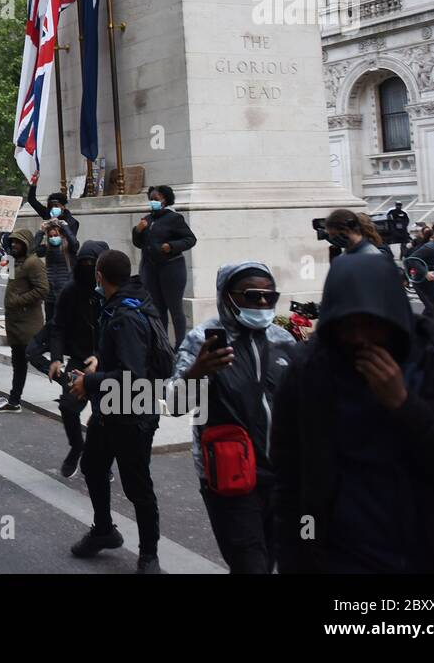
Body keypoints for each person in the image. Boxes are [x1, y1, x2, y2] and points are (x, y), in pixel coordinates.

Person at [272, 253, 434, 573]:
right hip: (343, 559)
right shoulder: (308, 371)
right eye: (347, 325)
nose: (359, 338)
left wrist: (404, 406)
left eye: (371, 324)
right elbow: (289, 482)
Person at [169, 262, 296, 573]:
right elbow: (174, 404)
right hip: (229, 476)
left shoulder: (285, 341)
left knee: (271, 560)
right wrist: (196, 373)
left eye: (270, 296)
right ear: (228, 297)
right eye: (253, 296)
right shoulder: (201, 341)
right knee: (250, 563)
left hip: (283, 478)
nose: (263, 303)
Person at [69, 249, 163, 574]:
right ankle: (104, 531)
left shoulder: (125, 314)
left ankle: (149, 554)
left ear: (99, 276)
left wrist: (90, 381)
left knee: (138, 485)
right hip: (112, 409)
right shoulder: (125, 301)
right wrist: (100, 361)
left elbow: (132, 376)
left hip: (133, 410)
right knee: (93, 466)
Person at [40, 240, 108, 477]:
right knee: (69, 406)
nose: (89, 269)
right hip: (79, 360)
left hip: (108, 362)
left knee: (105, 416)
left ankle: (102, 461)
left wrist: (99, 356)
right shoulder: (70, 291)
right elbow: (58, 326)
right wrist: (56, 358)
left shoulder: (111, 291)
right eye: (85, 264)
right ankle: (76, 447)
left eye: (94, 264)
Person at [131, 185, 196, 346]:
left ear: (165, 200)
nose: (152, 202)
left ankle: (180, 345)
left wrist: (171, 246)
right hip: (151, 269)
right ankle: (162, 344)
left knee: (175, 308)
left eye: (156, 199)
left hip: (171, 268)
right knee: (157, 309)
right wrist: (137, 231)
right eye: (151, 199)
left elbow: (190, 239)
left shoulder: (174, 218)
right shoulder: (147, 219)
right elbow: (138, 243)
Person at [0, 228, 47, 414]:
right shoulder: (15, 261)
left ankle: (69, 382)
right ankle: (14, 400)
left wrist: (18, 300)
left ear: (27, 243)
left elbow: (43, 289)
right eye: (12, 242)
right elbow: (9, 279)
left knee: (35, 359)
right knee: (18, 364)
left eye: (18, 242)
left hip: (28, 324)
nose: (14, 245)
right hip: (15, 324)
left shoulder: (33, 263)